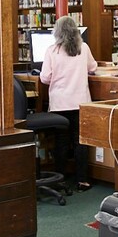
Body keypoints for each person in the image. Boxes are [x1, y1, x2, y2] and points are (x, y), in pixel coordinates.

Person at [39, 15, 97, 191]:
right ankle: (82, 180)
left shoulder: (52, 50)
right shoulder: (83, 48)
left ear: (57, 32)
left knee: (61, 141)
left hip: (59, 104)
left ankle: (60, 179)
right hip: (80, 103)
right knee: (80, 141)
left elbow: (45, 78)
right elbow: (93, 68)